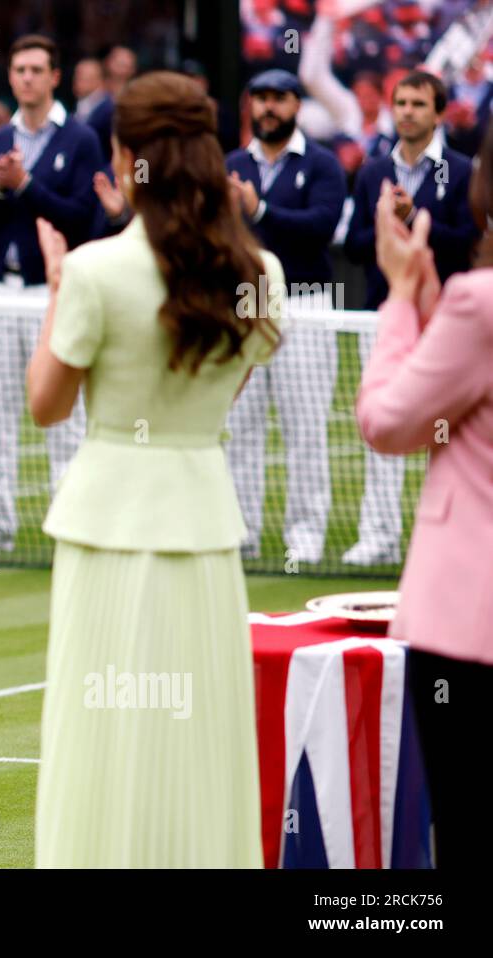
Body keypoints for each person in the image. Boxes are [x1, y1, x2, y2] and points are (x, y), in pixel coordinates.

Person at [28, 71, 283, 867]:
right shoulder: (259, 273)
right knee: (198, 740)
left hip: (111, 521)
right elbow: (227, 387)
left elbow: (45, 404)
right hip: (199, 520)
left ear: (128, 155)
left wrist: (57, 287)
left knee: (101, 736)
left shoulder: (96, 272)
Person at [356, 125, 493, 871]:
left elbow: (388, 422)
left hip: (469, 624)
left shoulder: (480, 305)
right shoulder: (471, 307)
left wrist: (402, 299)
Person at [0, 34, 101, 556]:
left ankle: (71, 521)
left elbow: (84, 218)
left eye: (38, 69)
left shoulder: (81, 139)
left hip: (55, 291)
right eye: (19, 70)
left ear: (54, 77)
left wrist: (25, 185)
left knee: (63, 413)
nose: (28, 78)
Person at [344, 70, 479, 565]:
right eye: (400, 102)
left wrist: (411, 220)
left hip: (444, 320)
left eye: (418, 104)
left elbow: (467, 239)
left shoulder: (463, 171)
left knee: (443, 435)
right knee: (384, 421)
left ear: (439, 112)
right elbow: (356, 246)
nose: (406, 111)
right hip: (385, 317)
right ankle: (378, 536)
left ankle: (439, 538)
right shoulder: (372, 169)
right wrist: (387, 226)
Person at [225, 69, 347, 565]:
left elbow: (319, 228)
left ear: (297, 105)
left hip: (307, 301)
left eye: (279, 99)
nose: (269, 108)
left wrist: (260, 209)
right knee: (239, 424)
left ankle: (306, 536)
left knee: (305, 427)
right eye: (261, 99)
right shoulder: (233, 164)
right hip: (247, 303)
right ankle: (239, 530)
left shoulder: (322, 164)